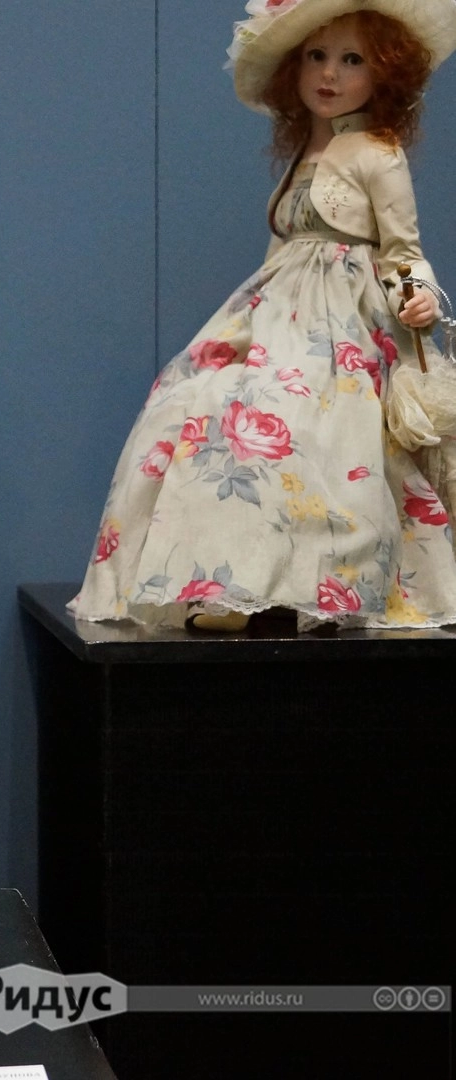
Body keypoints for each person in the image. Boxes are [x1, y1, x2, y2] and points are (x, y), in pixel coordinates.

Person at [72, 0, 456, 632]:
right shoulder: (308, 149)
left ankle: (321, 592)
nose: (329, 74)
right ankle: (229, 585)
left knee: (309, 430)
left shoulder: (376, 153)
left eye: (352, 60)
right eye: (316, 57)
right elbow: (284, 248)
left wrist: (418, 296)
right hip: (278, 309)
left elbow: (403, 251)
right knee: (195, 403)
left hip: (343, 322)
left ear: (385, 72)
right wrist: (245, 327)